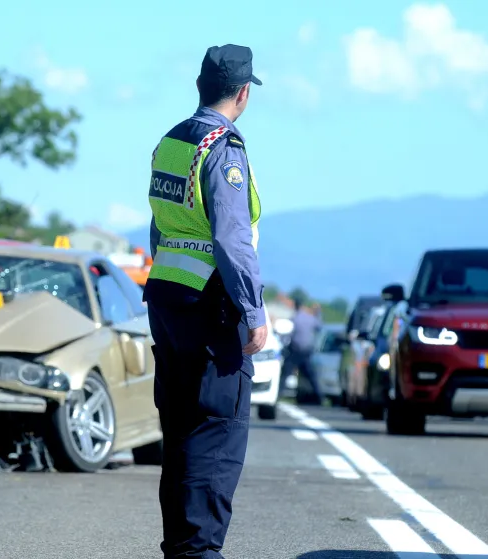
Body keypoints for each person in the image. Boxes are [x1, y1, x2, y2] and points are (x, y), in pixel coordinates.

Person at [144, 43, 265, 559]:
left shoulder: (171, 142)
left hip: (167, 299)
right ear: (242, 93)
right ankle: (199, 552)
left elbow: (160, 225)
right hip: (212, 308)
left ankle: (181, 549)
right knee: (215, 433)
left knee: (179, 431)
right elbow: (232, 239)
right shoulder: (223, 148)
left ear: (200, 86)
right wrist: (254, 312)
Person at [284, 296, 323, 404]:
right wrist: (318, 312)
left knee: (285, 374)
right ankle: (319, 397)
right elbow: (319, 326)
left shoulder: (295, 318)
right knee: (311, 376)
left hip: (295, 351)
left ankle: (277, 395)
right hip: (307, 351)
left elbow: (288, 334)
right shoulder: (310, 318)